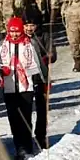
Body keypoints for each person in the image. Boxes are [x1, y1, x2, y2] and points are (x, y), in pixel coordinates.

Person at [0, 17, 43, 160]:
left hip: (26, 87)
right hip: (9, 87)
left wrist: (40, 81)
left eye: (17, 32)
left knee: (25, 117)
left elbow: (38, 65)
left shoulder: (30, 44)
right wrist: (0, 70)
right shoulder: (2, 45)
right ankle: (19, 147)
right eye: (12, 31)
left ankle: (27, 146)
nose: (15, 35)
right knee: (13, 119)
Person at [23, 10, 54, 151]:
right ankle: (26, 137)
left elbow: (53, 54)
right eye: (27, 25)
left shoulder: (44, 36)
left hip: (41, 77)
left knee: (42, 109)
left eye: (32, 25)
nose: (29, 28)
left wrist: (44, 58)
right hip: (26, 79)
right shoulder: (20, 38)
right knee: (26, 108)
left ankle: (41, 135)